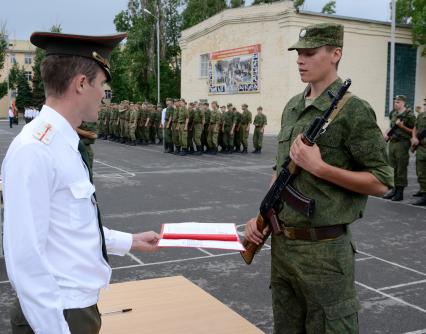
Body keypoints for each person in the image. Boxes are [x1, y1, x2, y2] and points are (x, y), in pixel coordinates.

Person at [1, 31, 160, 334]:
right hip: (57, 315)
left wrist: (129, 241)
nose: (104, 93)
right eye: (102, 84)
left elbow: (70, 228)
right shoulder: (35, 150)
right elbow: (25, 261)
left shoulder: (64, 142)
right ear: (81, 84)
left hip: (76, 308)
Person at [243, 23, 393, 333]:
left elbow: (381, 181)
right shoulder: (292, 108)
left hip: (325, 253)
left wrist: (321, 168)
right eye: (299, 53)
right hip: (283, 247)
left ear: (336, 54)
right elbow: (280, 172)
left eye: (310, 53)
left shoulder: (354, 111)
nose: (301, 60)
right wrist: (260, 216)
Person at [383, 95, 416, 201]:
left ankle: (400, 192)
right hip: (392, 143)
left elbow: (414, 131)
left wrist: (402, 127)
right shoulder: (393, 113)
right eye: (395, 101)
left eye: (397, 102)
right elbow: (391, 126)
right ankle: (394, 190)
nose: (395, 103)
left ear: (403, 103)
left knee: (401, 167)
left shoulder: (410, 115)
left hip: (402, 143)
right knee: (392, 167)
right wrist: (386, 133)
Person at [411, 100, 426, 206]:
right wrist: (414, 137)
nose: (425, 106)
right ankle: (423, 192)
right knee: (420, 172)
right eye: (425, 104)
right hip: (421, 148)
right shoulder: (421, 116)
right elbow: (415, 128)